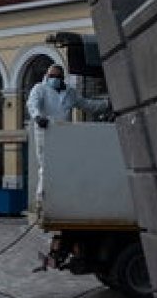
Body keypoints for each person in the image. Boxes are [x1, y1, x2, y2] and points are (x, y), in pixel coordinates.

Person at [26, 64, 110, 208]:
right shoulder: (40, 89)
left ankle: (61, 197)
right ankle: (41, 200)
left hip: (63, 132)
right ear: (47, 76)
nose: (54, 79)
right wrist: (38, 117)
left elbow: (86, 104)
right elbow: (32, 104)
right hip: (45, 130)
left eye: (57, 76)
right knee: (46, 164)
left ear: (62, 78)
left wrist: (106, 104)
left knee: (63, 164)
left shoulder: (70, 93)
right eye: (51, 76)